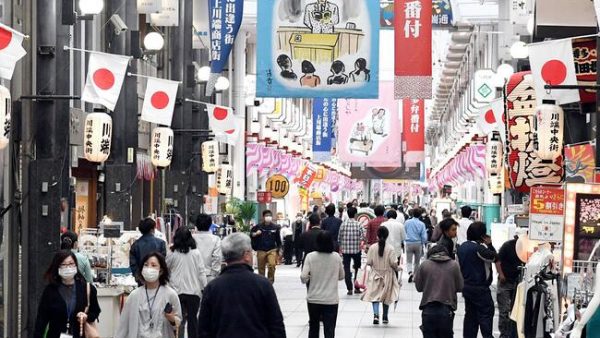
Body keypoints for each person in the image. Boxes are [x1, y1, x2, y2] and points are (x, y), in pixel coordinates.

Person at [198, 233, 286, 337]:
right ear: (247, 255)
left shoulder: (212, 287)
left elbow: (203, 329)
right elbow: (276, 325)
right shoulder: (263, 285)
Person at [34, 250, 101, 338]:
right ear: (57, 267)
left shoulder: (87, 289)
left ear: (76, 265)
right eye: (64, 265)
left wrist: (86, 316)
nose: (68, 267)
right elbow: (41, 320)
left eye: (71, 264)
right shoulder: (50, 290)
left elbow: (95, 311)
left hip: (79, 334)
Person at [116, 252, 182, 338]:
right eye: (146, 265)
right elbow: (123, 326)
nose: (149, 268)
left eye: (153, 265)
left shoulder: (170, 294)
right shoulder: (134, 296)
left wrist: (172, 319)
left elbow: (178, 321)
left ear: (161, 271)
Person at [457, 222, 498, 338]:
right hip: (480, 288)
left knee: (470, 317)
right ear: (481, 235)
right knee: (486, 314)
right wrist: (489, 244)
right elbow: (494, 257)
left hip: (466, 286)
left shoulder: (462, 247)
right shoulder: (479, 249)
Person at [301, 231, 344, 338]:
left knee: (314, 328)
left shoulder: (310, 256)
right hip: (331, 299)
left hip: (314, 298)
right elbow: (341, 276)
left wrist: (311, 277)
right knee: (329, 330)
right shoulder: (336, 257)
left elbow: (303, 277)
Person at [415, 245, 464, 338]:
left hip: (428, 309)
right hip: (446, 309)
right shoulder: (454, 265)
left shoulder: (424, 265)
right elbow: (460, 287)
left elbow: (419, 287)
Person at [166, 228, 207, 338]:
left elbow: (166, 268)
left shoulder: (172, 252)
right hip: (194, 292)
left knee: (178, 320)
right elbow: (201, 272)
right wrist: (205, 288)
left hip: (176, 291)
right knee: (193, 320)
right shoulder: (196, 253)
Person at [361, 227, 399, 325]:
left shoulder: (372, 247)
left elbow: (369, 262)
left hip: (375, 274)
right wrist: (397, 268)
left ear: (377, 235)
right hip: (388, 275)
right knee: (387, 296)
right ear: (387, 236)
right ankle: (385, 317)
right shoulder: (390, 248)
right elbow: (393, 263)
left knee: (375, 295)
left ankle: (376, 316)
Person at [496, 235, 525, 338]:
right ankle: (504, 334)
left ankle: (513, 333)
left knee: (516, 311)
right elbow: (497, 261)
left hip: (519, 282)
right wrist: (501, 274)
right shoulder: (507, 245)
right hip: (506, 281)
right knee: (504, 310)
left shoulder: (525, 247)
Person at [338, 206, 365, 295]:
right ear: (355, 214)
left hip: (345, 251)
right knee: (357, 268)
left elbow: (339, 238)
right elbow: (363, 237)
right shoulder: (359, 224)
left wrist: (341, 247)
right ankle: (357, 287)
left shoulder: (343, 224)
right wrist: (361, 243)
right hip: (356, 250)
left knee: (346, 269)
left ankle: (349, 288)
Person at [250, 210, 282, 283]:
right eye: (266, 216)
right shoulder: (258, 226)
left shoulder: (275, 227)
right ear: (263, 217)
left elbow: (278, 239)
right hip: (261, 249)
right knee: (261, 268)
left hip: (272, 249)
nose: (268, 217)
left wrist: (279, 249)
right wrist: (256, 234)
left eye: (269, 216)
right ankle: (262, 282)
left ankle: (270, 281)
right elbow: (251, 234)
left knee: (272, 264)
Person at [192, 213, 222, 283]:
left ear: (196, 225)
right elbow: (217, 257)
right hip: (209, 276)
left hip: (192, 275)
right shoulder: (216, 239)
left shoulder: (191, 238)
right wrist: (214, 274)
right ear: (210, 224)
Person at [404, 208, 428, 283]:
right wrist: (423, 243)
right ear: (420, 215)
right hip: (418, 243)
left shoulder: (407, 222)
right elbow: (424, 236)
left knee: (408, 260)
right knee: (417, 261)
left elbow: (404, 231)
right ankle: (415, 276)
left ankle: (410, 272)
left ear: (412, 214)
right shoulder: (422, 224)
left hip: (409, 243)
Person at [381, 209, 406, 279]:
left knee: (386, 267)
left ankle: (386, 283)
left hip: (385, 249)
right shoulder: (400, 225)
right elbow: (404, 237)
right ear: (395, 216)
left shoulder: (383, 224)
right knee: (395, 268)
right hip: (396, 250)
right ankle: (394, 284)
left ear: (387, 216)